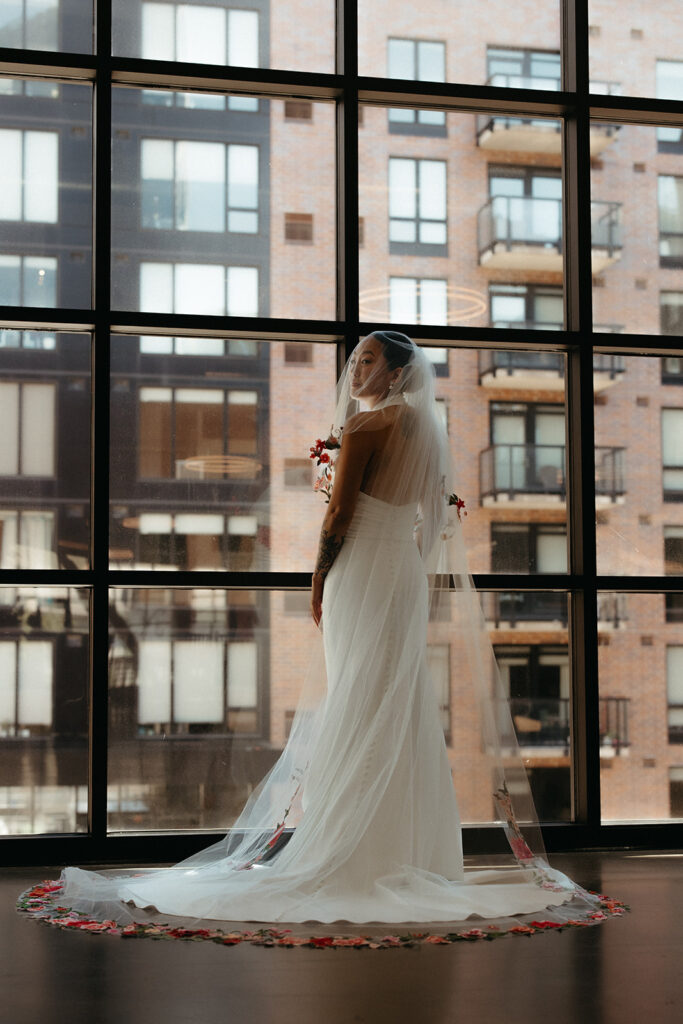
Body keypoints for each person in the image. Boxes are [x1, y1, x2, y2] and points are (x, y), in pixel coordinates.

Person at [56, 332, 606, 929]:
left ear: (396, 373)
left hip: (362, 568)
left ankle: (349, 849)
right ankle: (411, 852)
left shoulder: (368, 430)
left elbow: (340, 512)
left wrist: (320, 578)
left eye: (367, 359)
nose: (356, 369)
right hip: (398, 572)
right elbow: (430, 519)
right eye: (355, 359)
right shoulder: (428, 431)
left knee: (356, 695)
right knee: (394, 699)